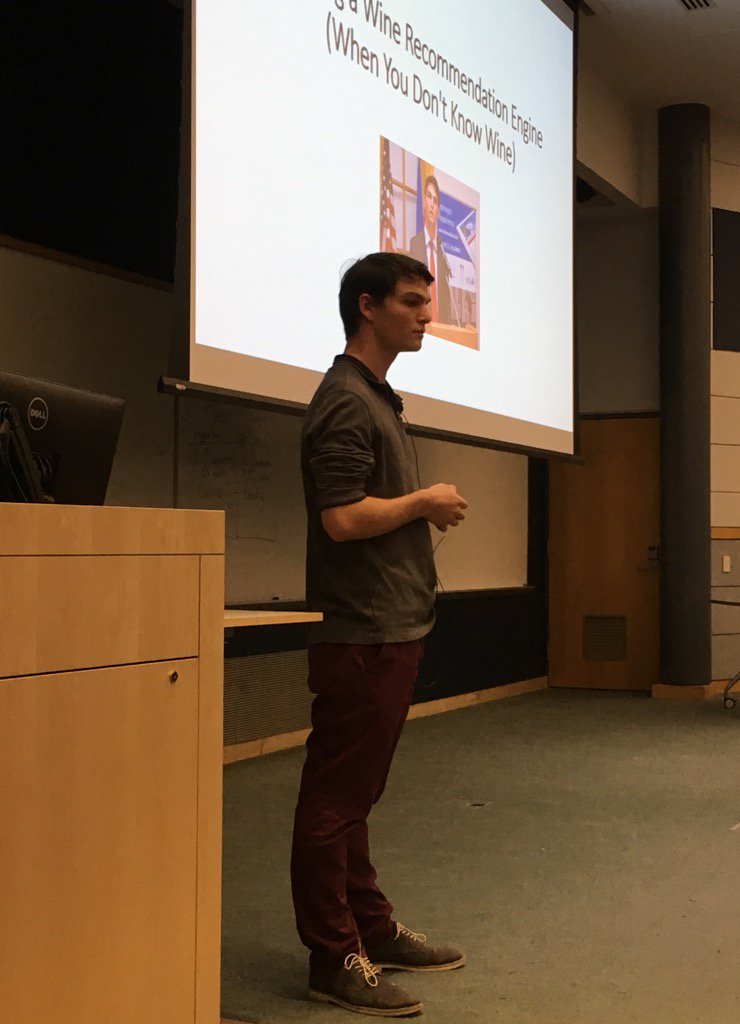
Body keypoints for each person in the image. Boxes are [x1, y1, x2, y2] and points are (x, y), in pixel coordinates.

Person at [291, 252, 469, 1017]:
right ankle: (334, 957)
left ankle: (371, 925)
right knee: (334, 802)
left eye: (428, 302)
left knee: (355, 797)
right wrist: (422, 501)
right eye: (411, 302)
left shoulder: (376, 397)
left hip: (390, 628)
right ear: (367, 307)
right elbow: (341, 517)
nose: (428, 315)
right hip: (360, 633)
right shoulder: (343, 401)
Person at [408, 175, 454, 324]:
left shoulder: (441, 252)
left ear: (439, 210)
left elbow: (445, 302)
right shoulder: (415, 244)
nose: (432, 204)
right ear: (424, 203)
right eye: (429, 197)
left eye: (435, 200)